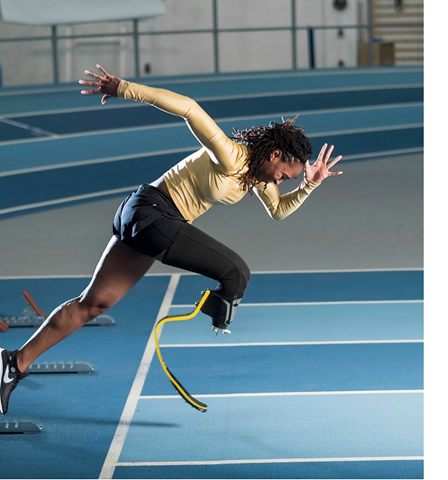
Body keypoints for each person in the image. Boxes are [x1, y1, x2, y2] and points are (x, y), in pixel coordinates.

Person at [0, 65, 343, 415]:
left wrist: (309, 185)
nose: (284, 181)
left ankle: (13, 363)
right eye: (287, 174)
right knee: (235, 271)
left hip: (147, 218)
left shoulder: (259, 179)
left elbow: (279, 212)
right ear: (274, 156)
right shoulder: (230, 155)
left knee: (93, 304)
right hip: (153, 213)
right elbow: (189, 108)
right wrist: (123, 88)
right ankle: (218, 314)